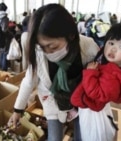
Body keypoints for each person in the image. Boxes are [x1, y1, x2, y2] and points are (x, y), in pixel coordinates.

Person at [7, 4, 99, 141]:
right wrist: (17, 110)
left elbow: (104, 78)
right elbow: (28, 81)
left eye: (52, 46)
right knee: (54, 138)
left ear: (71, 35)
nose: (47, 52)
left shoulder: (88, 48)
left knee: (83, 136)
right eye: (42, 47)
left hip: (82, 102)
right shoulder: (39, 52)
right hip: (52, 100)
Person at [70, 21, 121, 141]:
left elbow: (98, 94)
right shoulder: (110, 61)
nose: (113, 49)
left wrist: (90, 73)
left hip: (91, 109)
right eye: (111, 43)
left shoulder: (113, 74)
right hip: (90, 108)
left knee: (86, 135)